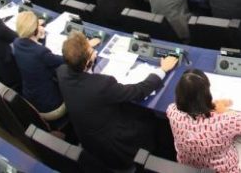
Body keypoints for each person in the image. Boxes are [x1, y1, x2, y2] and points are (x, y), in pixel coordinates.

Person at [57, 31, 177, 169]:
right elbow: (138, 91)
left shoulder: (62, 72)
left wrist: (83, 48)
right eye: (91, 51)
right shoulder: (101, 85)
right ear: (87, 62)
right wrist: (162, 69)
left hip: (88, 140)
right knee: (150, 118)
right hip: (115, 147)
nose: (95, 51)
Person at [167, 69, 241, 173]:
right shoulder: (223, 121)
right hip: (223, 170)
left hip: (188, 169)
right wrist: (227, 111)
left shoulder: (172, 111)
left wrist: (211, 106)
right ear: (207, 94)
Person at [12, 11, 69, 121]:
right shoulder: (41, 52)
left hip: (31, 99)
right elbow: (65, 60)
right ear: (35, 30)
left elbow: (34, 52)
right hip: (51, 106)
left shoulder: (16, 43)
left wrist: (40, 38)